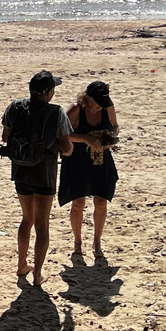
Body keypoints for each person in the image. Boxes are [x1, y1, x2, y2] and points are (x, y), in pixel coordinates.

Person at [0, 70, 74, 288]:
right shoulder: (57, 113)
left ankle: (22, 264)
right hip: (45, 172)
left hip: (20, 169)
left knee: (26, 219)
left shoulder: (15, 107)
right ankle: (37, 274)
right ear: (49, 93)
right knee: (42, 224)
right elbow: (67, 148)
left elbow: (5, 137)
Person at [58, 80, 120, 259]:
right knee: (78, 204)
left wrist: (111, 138)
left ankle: (97, 241)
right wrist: (86, 139)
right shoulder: (76, 110)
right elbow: (62, 134)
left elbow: (115, 126)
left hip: (101, 160)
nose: (101, 106)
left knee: (101, 202)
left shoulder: (107, 108)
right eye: (98, 102)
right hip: (78, 161)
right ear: (88, 98)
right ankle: (77, 242)